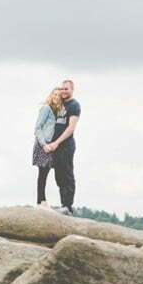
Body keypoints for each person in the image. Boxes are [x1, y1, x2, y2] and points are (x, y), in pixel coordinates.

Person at [43, 78, 81, 215]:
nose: (64, 91)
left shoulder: (74, 105)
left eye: (66, 89)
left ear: (72, 89)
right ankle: (63, 205)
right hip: (54, 147)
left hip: (66, 146)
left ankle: (68, 206)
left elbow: (71, 128)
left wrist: (57, 142)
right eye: (62, 88)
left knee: (67, 175)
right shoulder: (59, 104)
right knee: (58, 176)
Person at [33, 87, 64, 205]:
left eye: (59, 96)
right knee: (42, 173)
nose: (56, 97)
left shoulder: (56, 111)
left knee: (45, 173)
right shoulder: (46, 109)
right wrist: (44, 144)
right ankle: (40, 201)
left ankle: (42, 200)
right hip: (43, 144)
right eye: (54, 95)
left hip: (50, 145)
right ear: (51, 96)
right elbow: (37, 128)